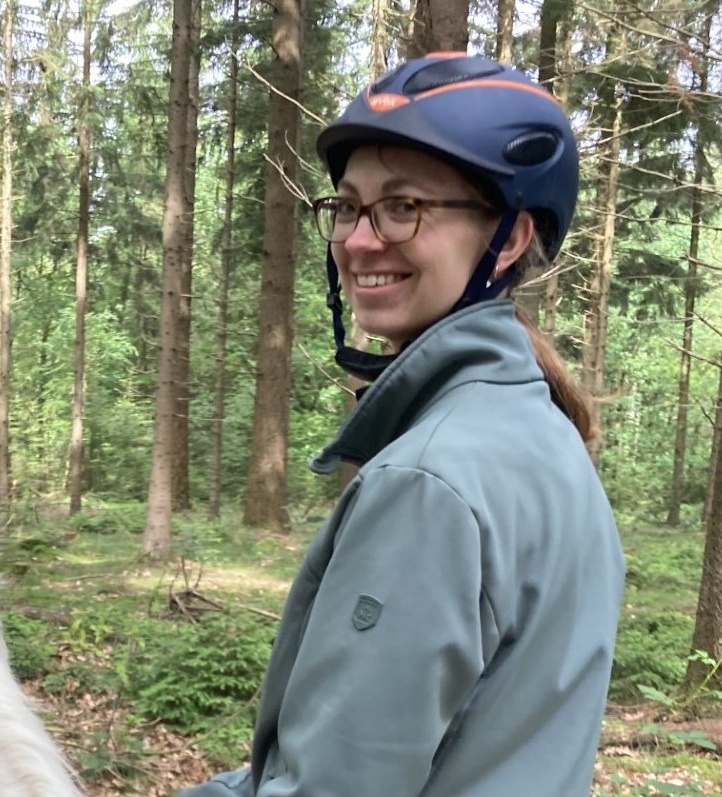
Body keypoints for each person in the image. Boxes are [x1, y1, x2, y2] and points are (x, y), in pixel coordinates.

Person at [180, 52, 625, 797]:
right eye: (348, 206)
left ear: (510, 238)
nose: (358, 239)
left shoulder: (428, 481)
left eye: (404, 206)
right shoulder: (546, 439)